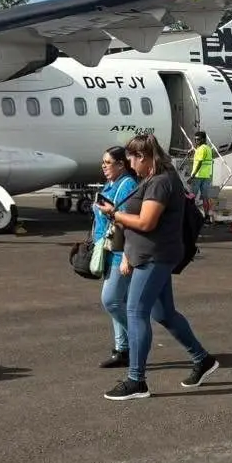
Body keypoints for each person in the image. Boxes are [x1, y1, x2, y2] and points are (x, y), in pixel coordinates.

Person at [98, 132, 220, 400]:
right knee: (164, 313)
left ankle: (136, 381)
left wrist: (114, 214)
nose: (130, 164)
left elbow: (146, 223)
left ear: (143, 157)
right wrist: (128, 250)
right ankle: (203, 360)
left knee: (135, 311)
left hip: (156, 256)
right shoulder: (153, 179)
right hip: (149, 255)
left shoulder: (161, 183)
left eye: (131, 158)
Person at [91, 146, 140, 369]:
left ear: (121, 164)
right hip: (107, 249)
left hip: (119, 251)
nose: (104, 166)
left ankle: (139, 336)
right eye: (103, 162)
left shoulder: (127, 184)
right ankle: (122, 350)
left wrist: (126, 257)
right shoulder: (110, 184)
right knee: (117, 301)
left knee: (110, 300)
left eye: (108, 162)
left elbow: (129, 223)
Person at [188, 131, 217, 224]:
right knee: (205, 198)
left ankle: (190, 217)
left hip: (198, 176)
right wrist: (193, 151)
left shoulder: (201, 149)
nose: (196, 141)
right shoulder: (208, 148)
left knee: (191, 197)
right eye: (195, 139)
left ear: (203, 139)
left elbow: (199, 162)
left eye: (198, 139)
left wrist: (192, 176)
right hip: (207, 176)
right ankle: (207, 216)